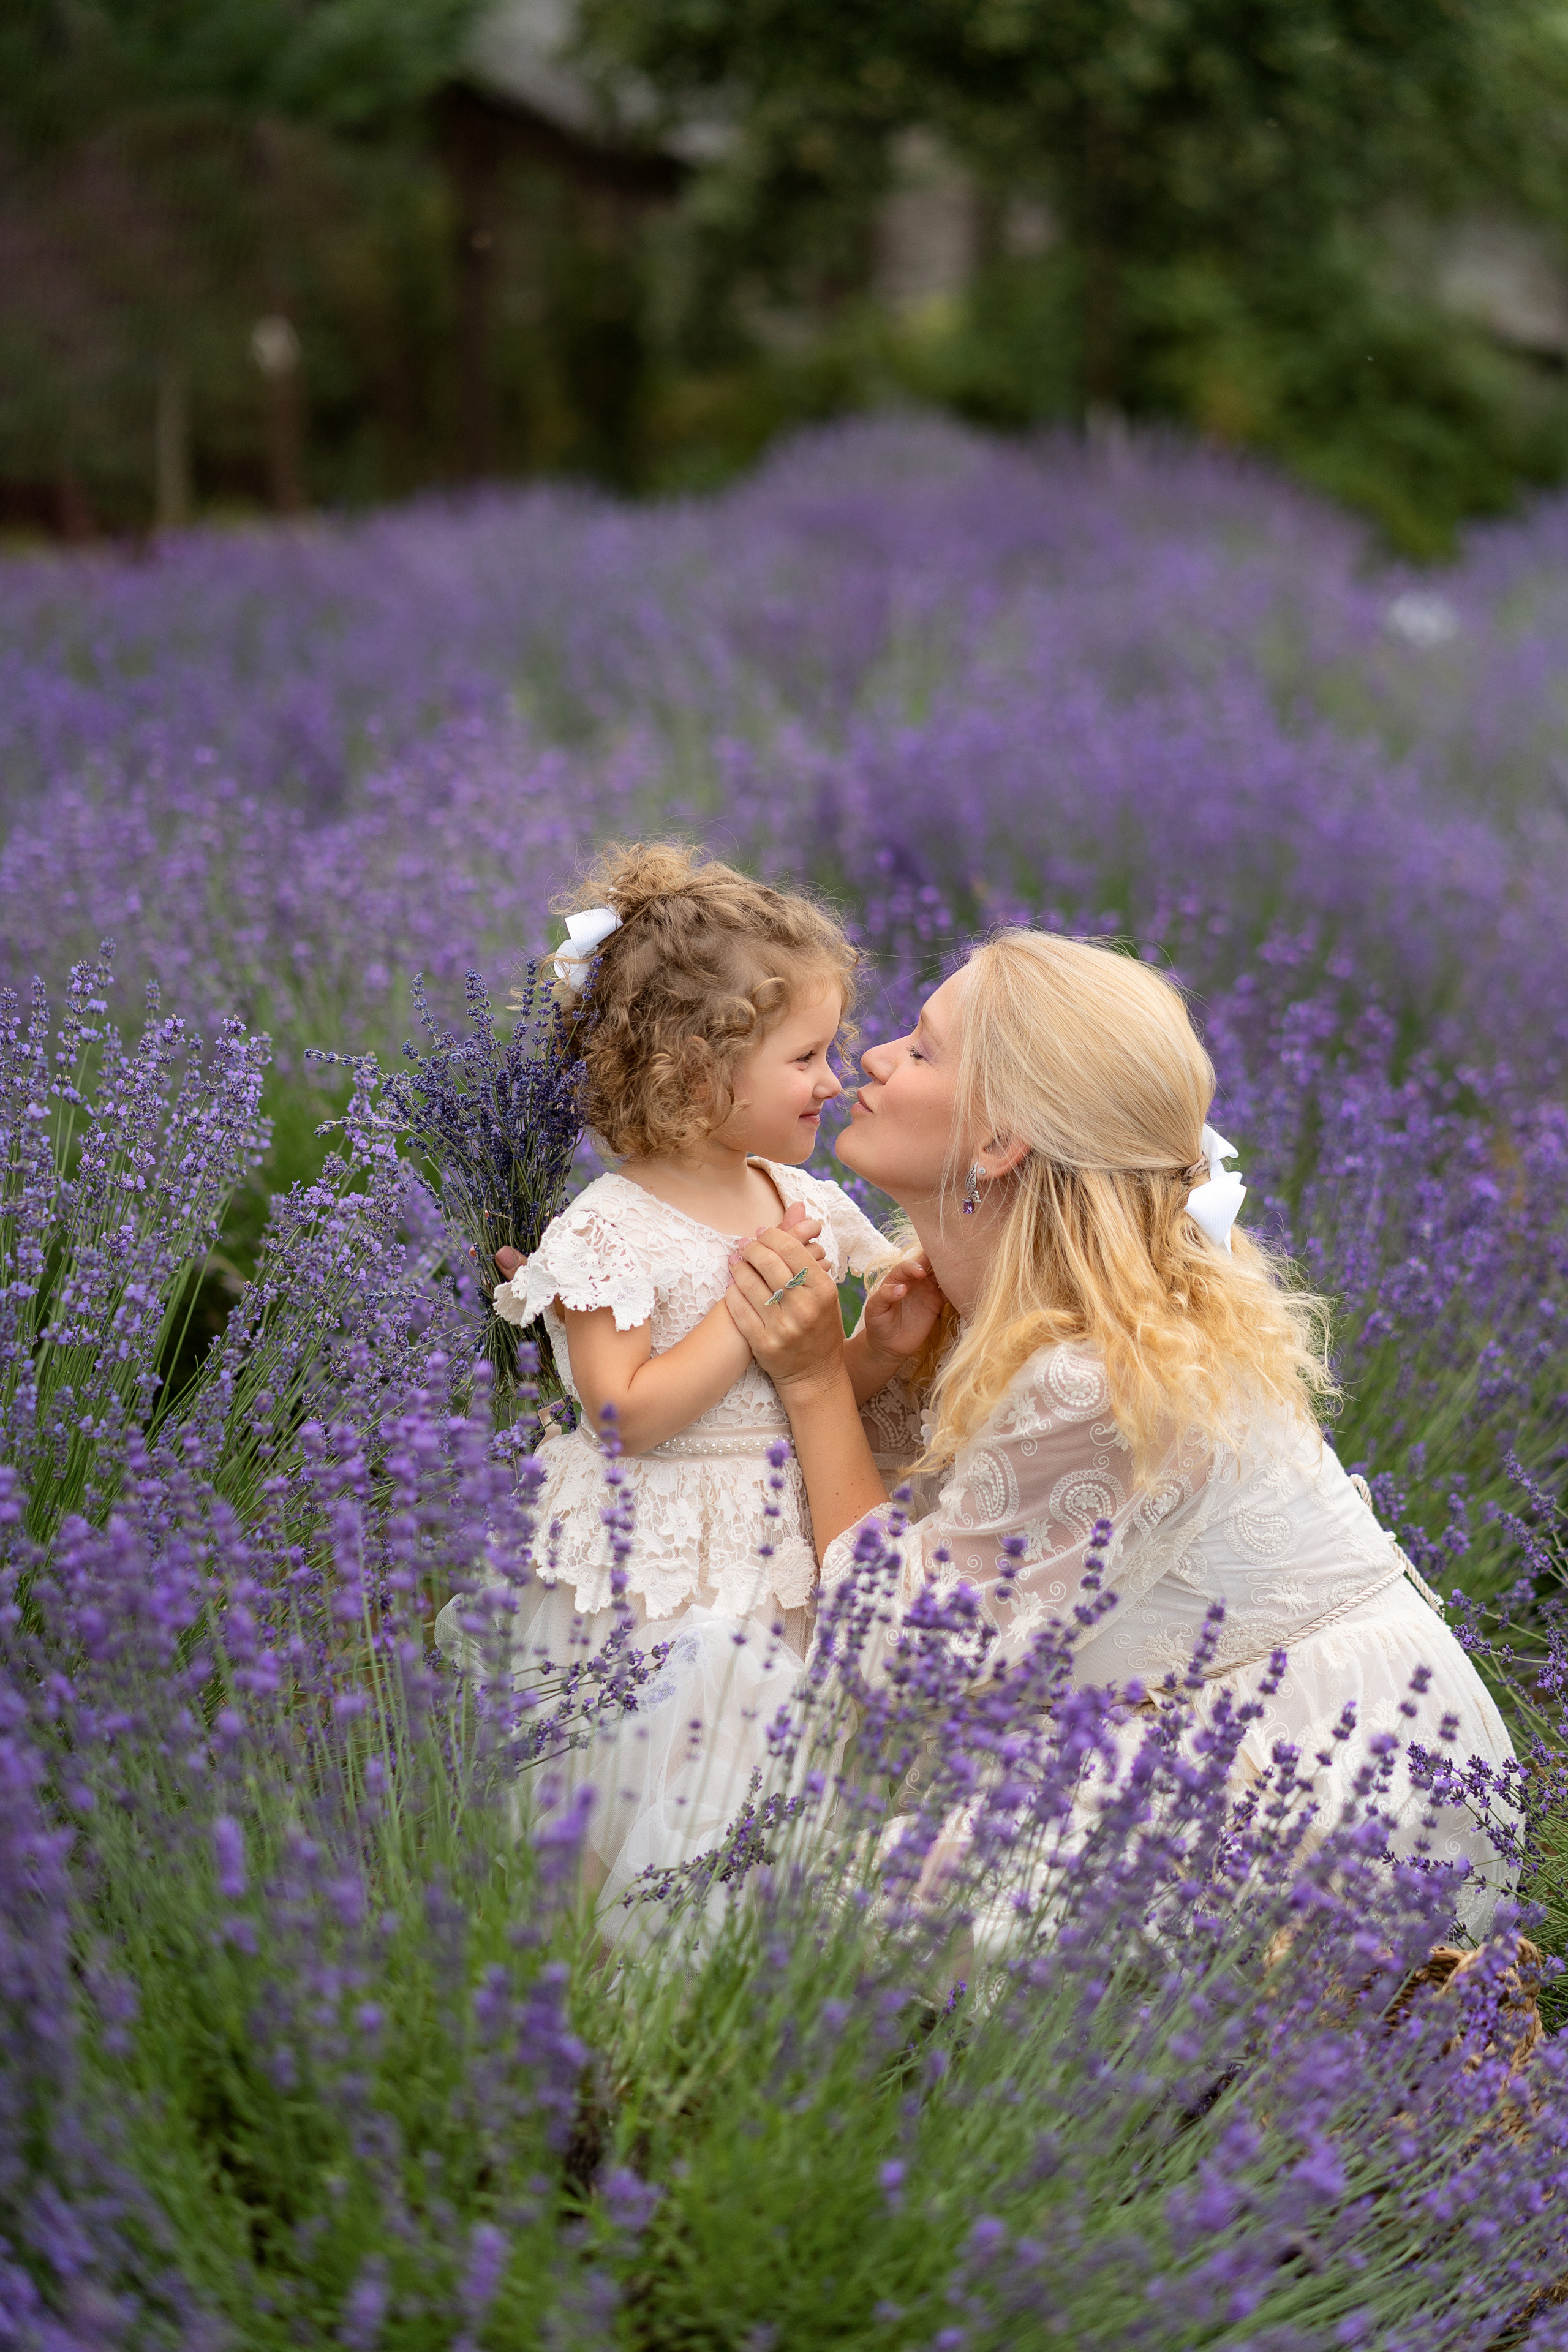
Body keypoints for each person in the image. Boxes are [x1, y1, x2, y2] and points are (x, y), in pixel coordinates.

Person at [725, 929, 1518, 1940]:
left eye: (921, 1050)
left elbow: (900, 1656)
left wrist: (813, 1382)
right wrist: (869, 1361)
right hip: (1191, 1718)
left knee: (816, 1905)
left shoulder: (1098, 1375)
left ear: (999, 1143)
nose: (871, 1061)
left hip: (1323, 1775)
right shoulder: (1003, 1302)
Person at [434, 843, 937, 1917]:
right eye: (807, 1057)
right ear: (697, 1071)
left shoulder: (797, 1198)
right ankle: (608, 1983)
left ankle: (726, 1973)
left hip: (772, 1545)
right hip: (660, 1577)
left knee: (762, 1791)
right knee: (645, 1796)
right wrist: (740, 1319)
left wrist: (879, 1348)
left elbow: (808, 1391)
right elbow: (623, 1417)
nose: (834, 1081)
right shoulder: (610, 1228)